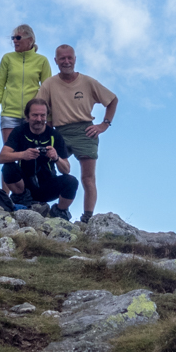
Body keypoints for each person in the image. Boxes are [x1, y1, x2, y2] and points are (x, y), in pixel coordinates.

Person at [36, 45, 117, 223]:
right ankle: (52, 207)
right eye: (62, 59)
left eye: (69, 58)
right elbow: (40, 105)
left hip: (85, 131)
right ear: (56, 61)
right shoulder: (49, 84)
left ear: (74, 59)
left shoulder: (87, 82)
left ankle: (87, 217)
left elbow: (112, 100)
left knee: (88, 178)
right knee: (47, 166)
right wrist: (44, 130)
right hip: (60, 131)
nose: (66, 62)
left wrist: (104, 124)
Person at [0, 97, 79, 221]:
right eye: (35, 115)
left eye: (42, 115)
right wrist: (22, 155)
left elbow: (66, 169)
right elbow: (2, 157)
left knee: (72, 181)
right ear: (27, 116)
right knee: (8, 167)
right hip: (25, 186)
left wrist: (56, 158)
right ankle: (21, 198)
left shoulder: (54, 135)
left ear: (47, 116)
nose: (39, 119)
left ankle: (59, 211)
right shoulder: (19, 132)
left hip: (47, 184)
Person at [0, 24, 52, 145]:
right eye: (13, 38)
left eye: (18, 38)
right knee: (9, 154)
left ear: (30, 40)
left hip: (33, 116)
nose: (14, 41)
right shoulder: (7, 58)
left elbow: (47, 90)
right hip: (9, 114)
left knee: (32, 155)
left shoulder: (42, 61)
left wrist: (48, 117)